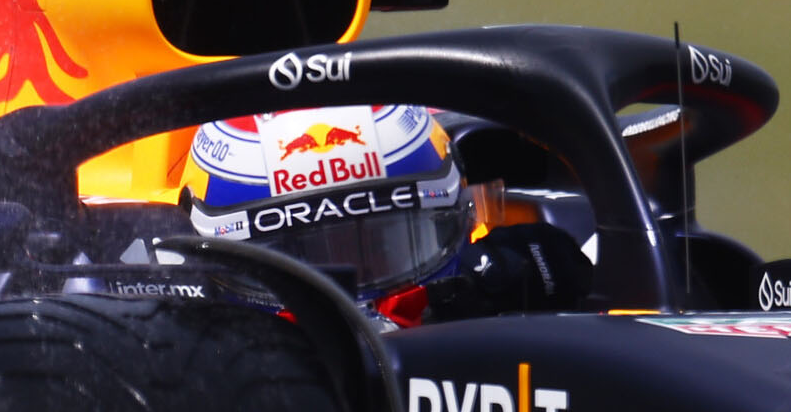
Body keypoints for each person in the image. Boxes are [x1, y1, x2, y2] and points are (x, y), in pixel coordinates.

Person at [179, 104, 588, 325]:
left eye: (384, 246)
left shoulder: (504, 276)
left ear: (461, 219)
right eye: (300, 264)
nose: (360, 307)